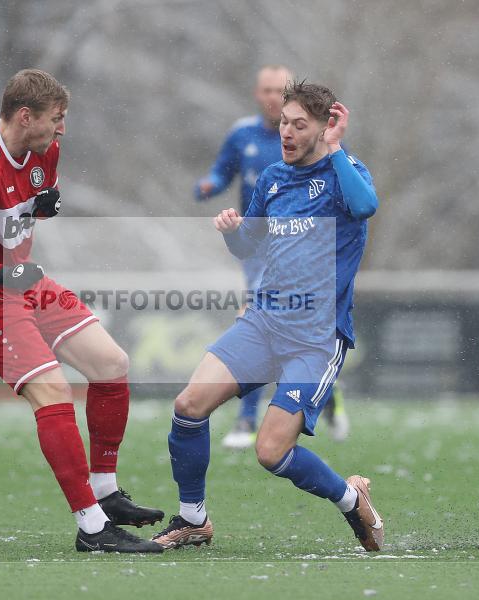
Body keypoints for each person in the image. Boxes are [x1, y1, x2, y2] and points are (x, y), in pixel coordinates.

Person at [0, 69, 164, 553]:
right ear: (24, 116)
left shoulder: (45, 149)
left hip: (24, 281)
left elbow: (27, 208)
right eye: (57, 119)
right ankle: (93, 528)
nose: (63, 129)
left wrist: (44, 208)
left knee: (111, 364)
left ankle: (106, 493)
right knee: (52, 392)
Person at [153, 81, 383, 552]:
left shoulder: (345, 172)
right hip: (264, 322)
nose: (288, 132)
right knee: (188, 407)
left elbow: (366, 207)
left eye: (301, 125)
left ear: (324, 129)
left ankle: (349, 497)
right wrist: (232, 232)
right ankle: (194, 520)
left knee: (270, 452)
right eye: (284, 122)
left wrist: (337, 150)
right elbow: (250, 245)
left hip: (315, 338)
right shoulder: (274, 178)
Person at [195, 65, 349, 448]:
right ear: (256, 93)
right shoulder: (242, 134)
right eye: (265, 90)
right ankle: (248, 419)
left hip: (297, 248)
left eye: (277, 90)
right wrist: (211, 185)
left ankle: (319, 394)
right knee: (255, 319)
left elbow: (360, 202)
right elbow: (223, 171)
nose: (270, 97)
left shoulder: (317, 148)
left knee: (269, 323)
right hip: (258, 242)